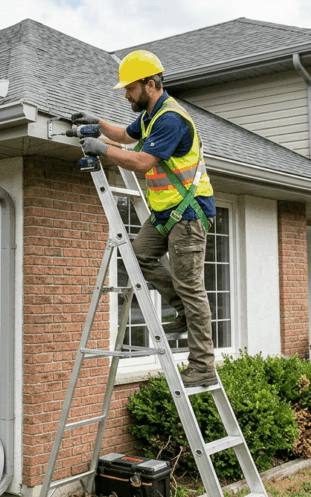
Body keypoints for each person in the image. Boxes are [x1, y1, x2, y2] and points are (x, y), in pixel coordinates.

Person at [69, 50, 218, 387]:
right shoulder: (151, 115)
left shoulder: (169, 118)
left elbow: (141, 162)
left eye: (130, 88)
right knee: (139, 255)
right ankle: (181, 309)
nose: (126, 94)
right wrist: (97, 126)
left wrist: (100, 148)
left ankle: (203, 366)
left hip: (188, 213)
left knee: (191, 287)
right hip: (166, 213)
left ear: (150, 85)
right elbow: (124, 135)